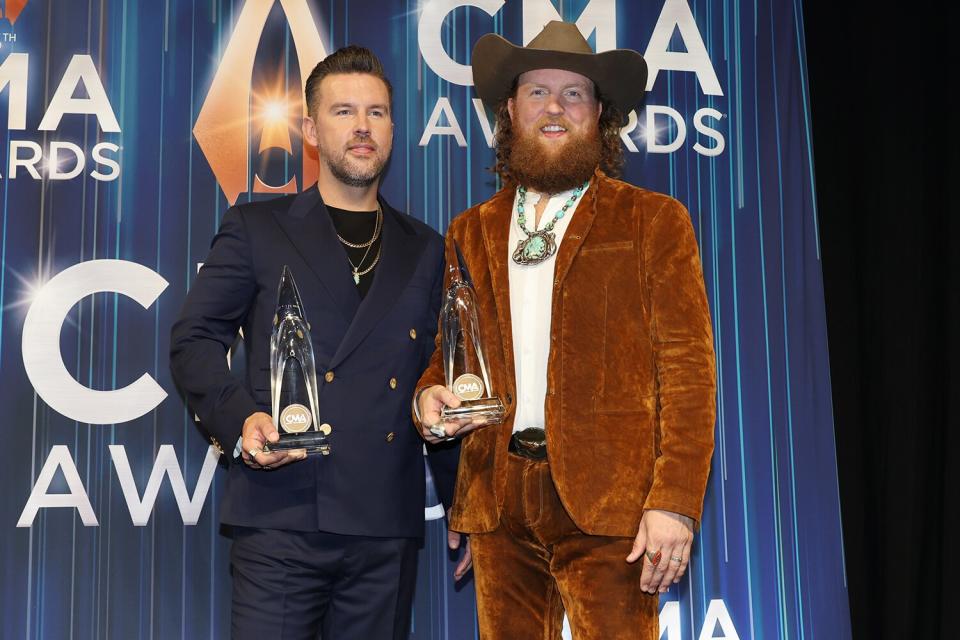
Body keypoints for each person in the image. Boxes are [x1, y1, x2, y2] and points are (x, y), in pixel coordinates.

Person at [414, 21, 716, 640]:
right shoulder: (471, 230)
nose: (554, 108)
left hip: (614, 508)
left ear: (600, 112)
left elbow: (688, 372)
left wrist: (675, 502)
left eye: (573, 94)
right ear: (509, 111)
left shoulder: (652, 220)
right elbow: (452, 354)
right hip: (499, 506)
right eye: (537, 93)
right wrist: (429, 399)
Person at [170, 46, 460, 640]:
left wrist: (466, 502)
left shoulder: (426, 247)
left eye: (377, 113)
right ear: (310, 129)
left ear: (392, 129)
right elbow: (193, 339)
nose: (361, 127)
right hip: (281, 514)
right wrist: (241, 418)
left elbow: (440, 377)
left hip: (384, 527)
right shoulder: (257, 228)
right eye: (343, 111)